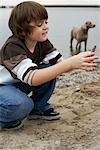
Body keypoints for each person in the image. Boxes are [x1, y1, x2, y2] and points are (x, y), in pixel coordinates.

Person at [0, 1, 97, 130]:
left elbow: (60, 65)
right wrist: (70, 63)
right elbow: (33, 78)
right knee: (22, 104)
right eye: (40, 24)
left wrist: (80, 62)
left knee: (48, 70)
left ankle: (37, 108)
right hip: (4, 86)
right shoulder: (13, 47)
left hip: (19, 83)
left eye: (46, 22)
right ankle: (5, 118)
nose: (45, 27)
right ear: (22, 30)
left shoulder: (42, 42)